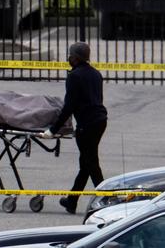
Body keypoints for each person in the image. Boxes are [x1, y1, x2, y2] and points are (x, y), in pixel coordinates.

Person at [40, 42, 108, 214]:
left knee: (91, 163)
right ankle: (72, 200)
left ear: (75, 58)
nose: (68, 58)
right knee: (86, 163)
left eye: (70, 55)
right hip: (100, 121)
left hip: (87, 125)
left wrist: (52, 130)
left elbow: (69, 107)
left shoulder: (75, 76)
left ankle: (108, 199)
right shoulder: (96, 74)